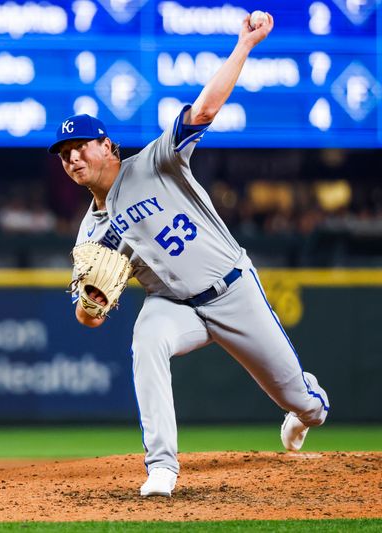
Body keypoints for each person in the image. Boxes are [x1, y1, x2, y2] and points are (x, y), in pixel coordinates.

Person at [48, 12, 330, 497]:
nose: (72, 157)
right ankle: (162, 467)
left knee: (301, 401)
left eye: (80, 146)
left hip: (231, 288)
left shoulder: (156, 161)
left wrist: (243, 45)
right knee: (146, 341)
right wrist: (91, 303)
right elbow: (87, 317)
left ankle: (305, 409)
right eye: (64, 152)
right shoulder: (90, 233)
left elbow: (203, 109)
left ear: (107, 146)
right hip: (175, 306)